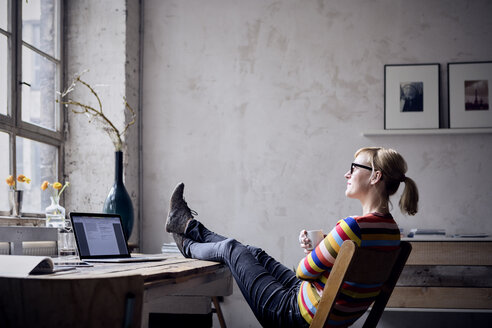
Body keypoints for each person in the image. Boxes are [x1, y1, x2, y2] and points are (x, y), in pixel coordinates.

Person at [165, 147, 419, 328]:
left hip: (293, 314)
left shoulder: (352, 227)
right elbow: (333, 274)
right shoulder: (391, 232)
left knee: (232, 249)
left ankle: (187, 242)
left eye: (354, 168)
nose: (347, 174)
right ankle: (186, 225)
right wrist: (323, 251)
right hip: (318, 306)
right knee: (254, 252)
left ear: (375, 177)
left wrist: (315, 254)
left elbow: (303, 271)